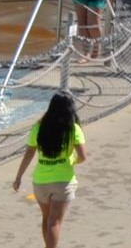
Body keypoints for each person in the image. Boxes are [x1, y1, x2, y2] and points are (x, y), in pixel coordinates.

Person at [14, 90, 84, 248]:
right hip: (63, 181)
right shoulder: (73, 129)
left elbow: (28, 155)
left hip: (40, 181)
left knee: (47, 218)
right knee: (55, 221)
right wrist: (72, 160)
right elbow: (83, 156)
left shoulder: (38, 128)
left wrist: (18, 177)